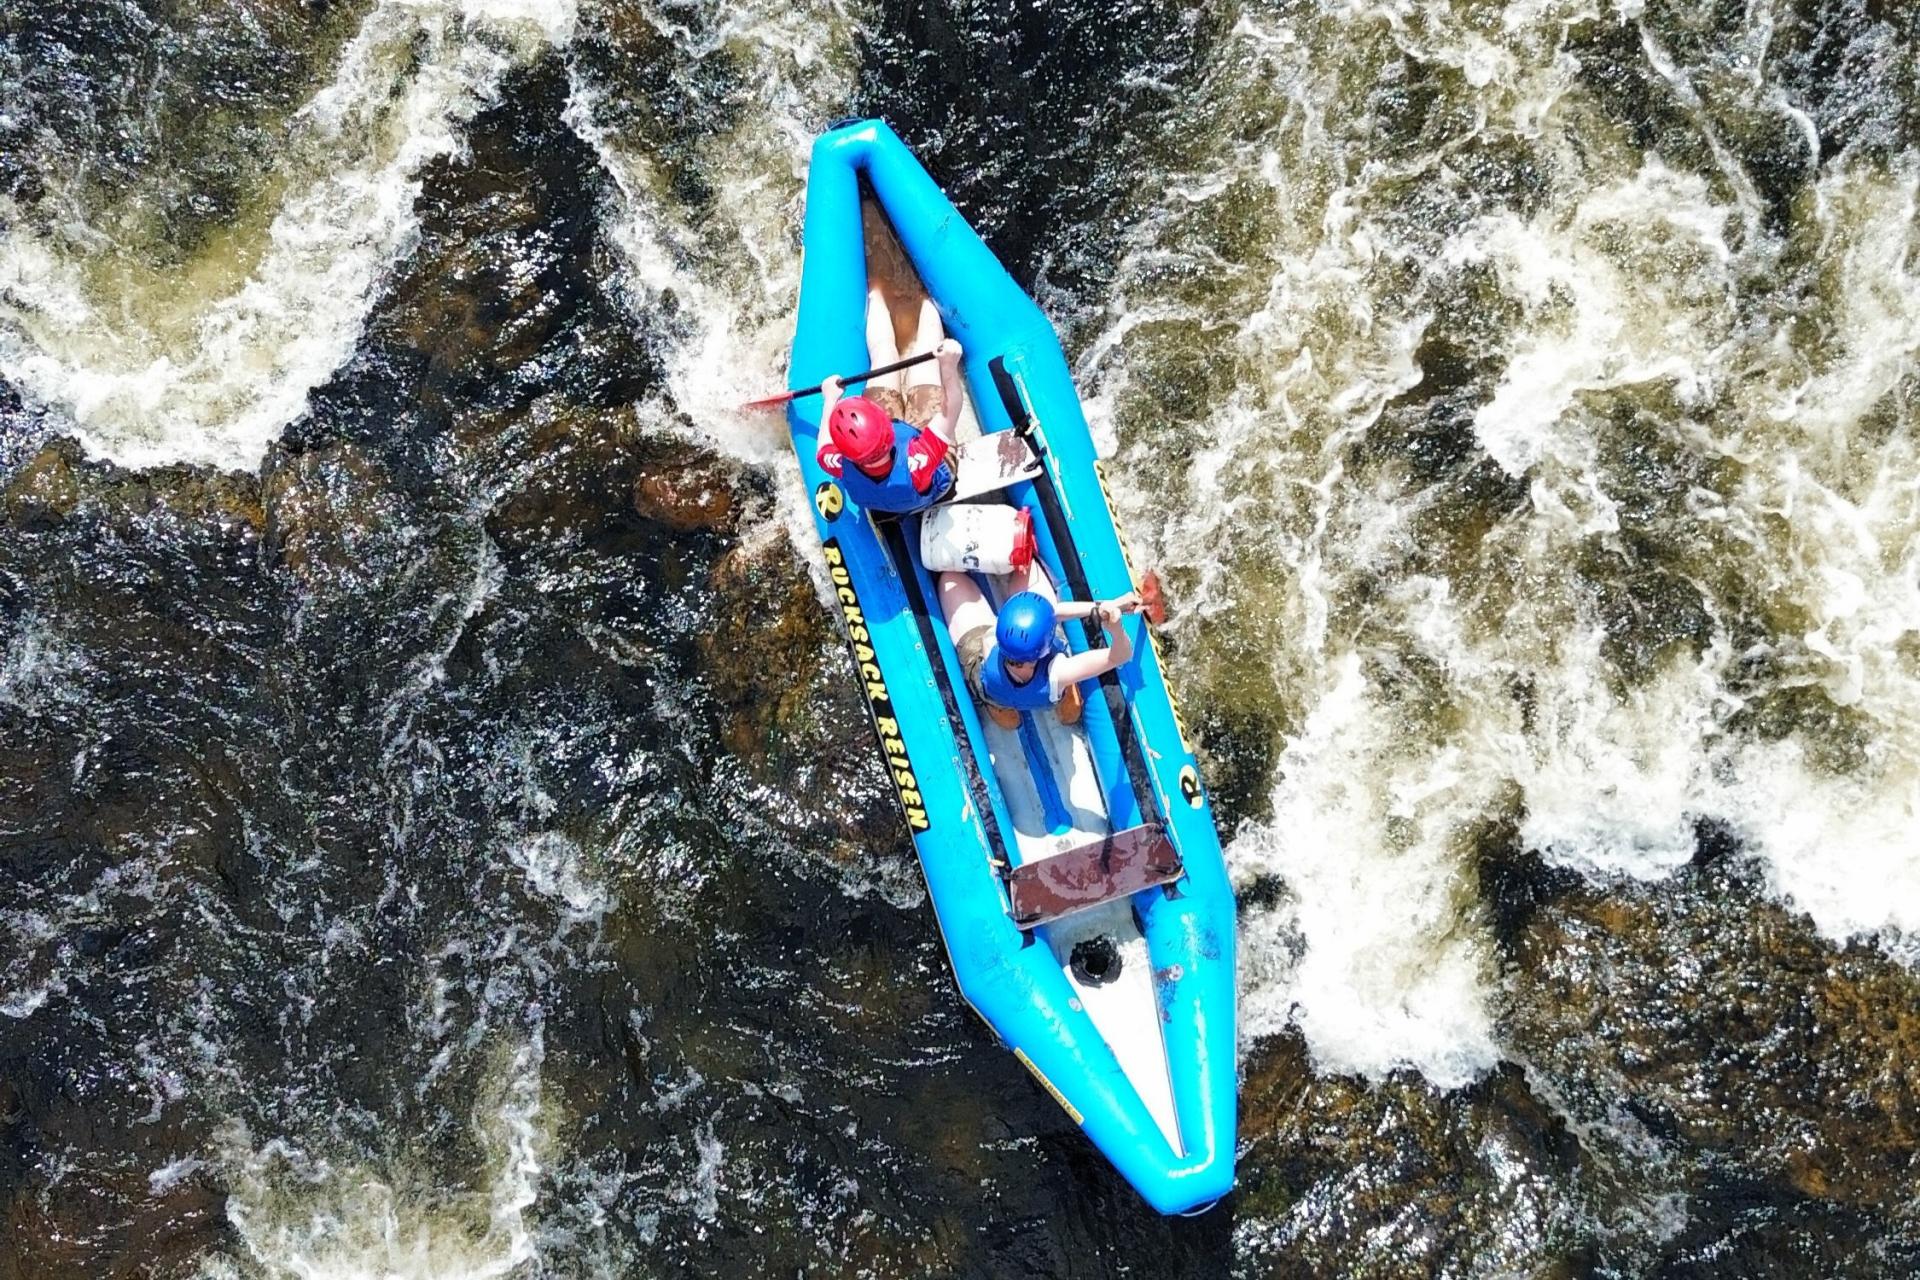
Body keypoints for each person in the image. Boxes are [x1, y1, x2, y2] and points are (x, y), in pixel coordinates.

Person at [939, 561, 1141, 730]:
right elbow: (1120, 656)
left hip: (994, 689)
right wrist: (1116, 628)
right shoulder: (1058, 672)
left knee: (949, 578)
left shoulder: (991, 643)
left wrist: (1102, 608)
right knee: (1026, 567)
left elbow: (1051, 614)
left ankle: (1000, 708)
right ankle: (1066, 697)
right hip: (1047, 690)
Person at [816, 290, 965, 515]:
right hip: (927, 479)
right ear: (888, 427)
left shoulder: (839, 463)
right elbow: (950, 408)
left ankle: (875, 294)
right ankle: (926, 298)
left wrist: (829, 399)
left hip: (895, 477)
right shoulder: (921, 460)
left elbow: (823, 449)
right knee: (925, 362)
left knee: (883, 354)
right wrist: (948, 365)